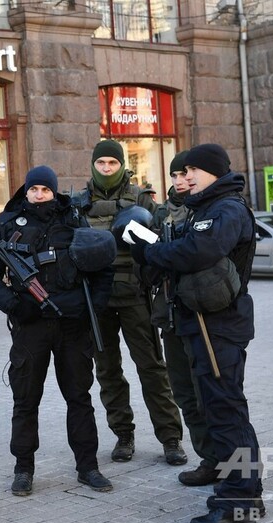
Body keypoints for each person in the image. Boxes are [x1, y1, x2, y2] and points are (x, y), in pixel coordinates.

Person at [129, 143, 261, 523]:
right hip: (202, 323)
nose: (185, 178)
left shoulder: (227, 209)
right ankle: (238, 489)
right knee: (218, 409)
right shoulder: (204, 207)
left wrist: (152, 251)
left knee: (227, 413)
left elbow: (198, 251)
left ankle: (239, 504)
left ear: (213, 172)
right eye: (182, 172)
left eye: (192, 172)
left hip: (219, 325)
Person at [0, 165, 114, 497]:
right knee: (25, 400)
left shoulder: (74, 220)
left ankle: (88, 467)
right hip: (31, 326)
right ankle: (23, 469)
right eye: (33, 190)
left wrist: (91, 307)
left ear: (54, 192)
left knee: (79, 398)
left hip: (72, 327)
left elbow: (102, 268)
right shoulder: (9, 224)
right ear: (26, 192)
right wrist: (13, 305)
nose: (39, 195)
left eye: (45, 190)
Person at [80, 139, 186, 465]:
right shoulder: (80, 203)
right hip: (97, 300)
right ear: (93, 165)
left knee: (152, 368)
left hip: (135, 295)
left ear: (122, 165)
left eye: (112, 163)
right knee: (108, 371)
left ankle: (170, 438)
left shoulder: (141, 199)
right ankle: (123, 435)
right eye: (101, 163)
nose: (107, 169)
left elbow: (161, 241)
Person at [149, 151, 222, 487]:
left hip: (205, 317)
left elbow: (204, 257)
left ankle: (233, 470)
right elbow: (149, 264)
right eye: (175, 175)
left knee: (214, 397)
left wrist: (164, 254)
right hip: (171, 313)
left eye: (186, 173)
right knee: (184, 393)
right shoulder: (160, 213)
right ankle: (209, 460)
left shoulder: (209, 210)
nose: (181, 180)